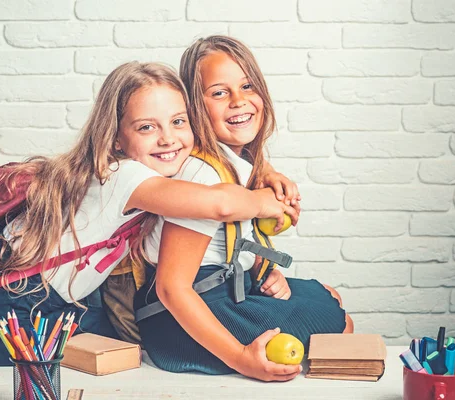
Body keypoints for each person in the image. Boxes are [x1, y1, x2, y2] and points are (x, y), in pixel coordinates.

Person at [0, 61, 298, 366]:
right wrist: (266, 200)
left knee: (127, 351)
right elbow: (218, 203)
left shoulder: (151, 174)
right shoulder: (123, 175)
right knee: (124, 359)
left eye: (178, 121)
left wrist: (262, 169)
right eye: (147, 127)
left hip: (55, 302)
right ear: (115, 137)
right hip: (0, 307)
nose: (168, 139)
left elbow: (218, 165)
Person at [133, 36, 353, 382]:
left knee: (328, 298)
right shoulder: (203, 175)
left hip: (226, 290)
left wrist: (263, 270)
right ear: (194, 108)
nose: (239, 101)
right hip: (179, 321)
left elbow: (233, 244)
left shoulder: (235, 164)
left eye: (247, 86)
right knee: (338, 321)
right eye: (219, 93)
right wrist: (241, 359)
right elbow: (172, 287)